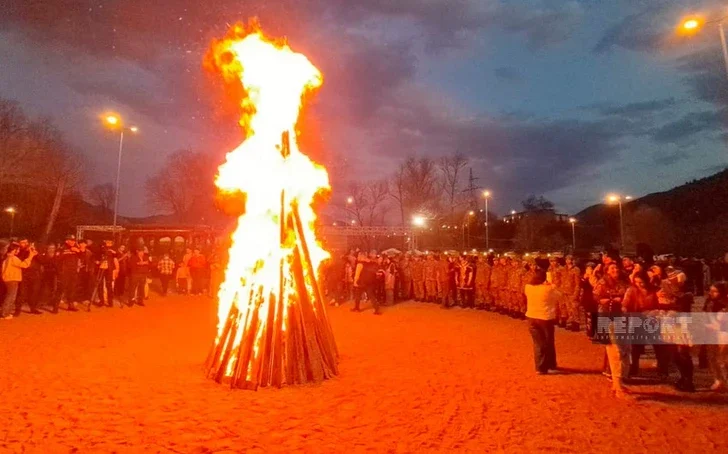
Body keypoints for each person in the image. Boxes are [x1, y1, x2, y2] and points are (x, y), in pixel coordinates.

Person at [594, 262, 632, 399]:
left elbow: (630, 296)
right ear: (607, 271)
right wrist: (612, 299)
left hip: (622, 318)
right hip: (607, 317)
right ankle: (617, 385)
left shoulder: (624, 281)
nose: (615, 270)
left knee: (624, 350)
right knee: (614, 350)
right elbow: (598, 298)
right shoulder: (603, 282)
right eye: (612, 268)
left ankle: (618, 383)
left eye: (616, 267)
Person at [622, 271, 659, 377]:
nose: (639, 284)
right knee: (635, 346)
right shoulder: (631, 290)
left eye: (641, 282)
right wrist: (624, 310)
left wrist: (654, 312)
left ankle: (662, 369)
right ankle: (633, 368)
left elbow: (657, 304)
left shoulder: (652, 290)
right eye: (637, 282)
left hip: (651, 319)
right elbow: (625, 303)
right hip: (636, 318)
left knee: (658, 344)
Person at [525, 268, 559, 374]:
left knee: (538, 343)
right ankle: (547, 365)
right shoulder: (548, 289)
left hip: (531, 317)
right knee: (548, 342)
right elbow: (559, 295)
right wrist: (550, 283)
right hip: (545, 318)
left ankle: (541, 366)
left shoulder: (528, 287)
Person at [2, 243, 37, 319]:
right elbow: (24, 265)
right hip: (12, 279)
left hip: (8, 279)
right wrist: (30, 256)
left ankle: (6, 312)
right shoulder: (13, 258)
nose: (18, 251)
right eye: (17, 250)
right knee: (11, 297)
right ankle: (5, 313)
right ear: (14, 250)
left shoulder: (6, 258)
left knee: (10, 296)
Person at [704, 282, 728, 391]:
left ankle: (725, 379)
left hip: (724, 333)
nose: (712, 293)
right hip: (711, 331)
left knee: (722, 358)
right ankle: (718, 380)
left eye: (715, 291)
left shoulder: (725, 303)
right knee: (712, 357)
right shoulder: (709, 302)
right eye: (711, 291)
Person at [55, 235, 81, 313]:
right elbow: (57, 259)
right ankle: (55, 307)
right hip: (64, 272)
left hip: (73, 272)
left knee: (72, 289)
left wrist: (78, 251)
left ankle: (71, 305)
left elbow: (83, 257)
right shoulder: (61, 249)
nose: (73, 242)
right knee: (60, 289)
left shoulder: (76, 249)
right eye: (71, 240)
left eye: (74, 240)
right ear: (67, 241)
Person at [17, 239, 43, 316]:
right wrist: (27, 253)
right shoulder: (18, 251)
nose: (25, 244)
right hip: (24, 274)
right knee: (22, 292)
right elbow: (19, 261)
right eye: (23, 242)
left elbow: (44, 261)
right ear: (19, 243)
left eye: (26, 242)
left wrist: (36, 254)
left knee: (34, 292)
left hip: (35, 274)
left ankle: (33, 308)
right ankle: (17, 310)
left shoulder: (34, 251)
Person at [561, 255, 582, 331]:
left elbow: (577, 283)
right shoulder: (564, 269)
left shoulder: (576, 270)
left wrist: (576, 293)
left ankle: (576, 324)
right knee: (569, 309)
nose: (567, 261)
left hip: (573, 291)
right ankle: (571, 323)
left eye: (569, 259)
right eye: (566, 259)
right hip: (565, 291)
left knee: (575, 308)